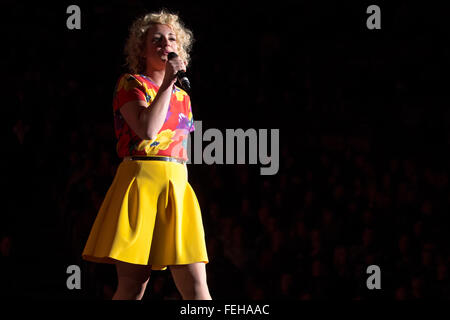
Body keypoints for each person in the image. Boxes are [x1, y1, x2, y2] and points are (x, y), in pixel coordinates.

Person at [82, 9, 211, 300]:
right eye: (156, 39)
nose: (165, 44)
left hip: (176, 187)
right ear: (142, 49)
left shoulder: (183, 96)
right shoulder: (131, 84)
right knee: (134, 284)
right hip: (141, 184)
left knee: (196, 285)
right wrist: (167, 82)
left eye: (171, 38)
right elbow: (148, 131)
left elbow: (181, 149)